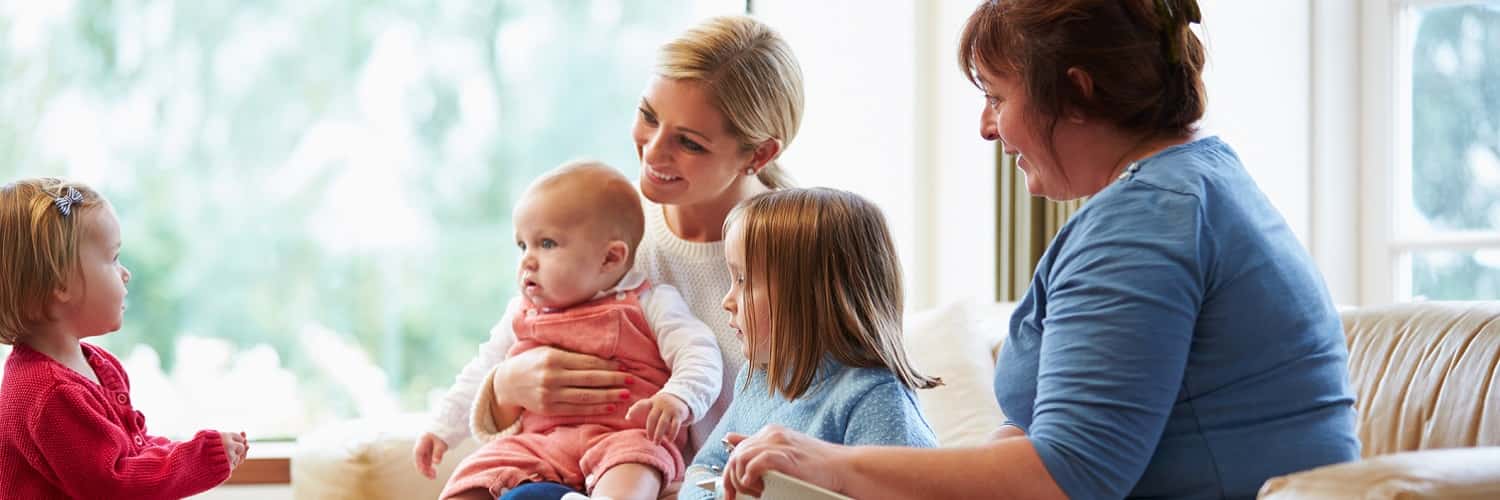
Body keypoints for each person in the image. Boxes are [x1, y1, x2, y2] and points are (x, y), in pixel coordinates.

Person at [713, 1, 1360, 499]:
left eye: (997, 96)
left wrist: (826, 464)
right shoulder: (1185, 189)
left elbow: (1065, 478)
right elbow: (1038, 446)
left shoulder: (1148, 221)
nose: (987, 126)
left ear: (1075, 92)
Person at [469, 15, 805, 500]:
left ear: (759, 154)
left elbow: (823, 431)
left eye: (689, 142)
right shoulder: (606, 225)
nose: (652, 151)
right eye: (648, 115)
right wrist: (505, 390)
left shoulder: (801, 255)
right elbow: (520, 365)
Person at [420, 162, 723, 500]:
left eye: (546, 244)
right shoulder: (521, 312)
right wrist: (442, 429)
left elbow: (700, 354)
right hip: (538, 442)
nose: (527, 261)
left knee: (638, 467)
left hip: (623, 436)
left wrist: (679, 396)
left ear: (610, 258)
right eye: (523, 245)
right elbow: (482, 370)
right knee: (475, 477)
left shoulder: (652, 302)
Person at [680, 188, 939, 500]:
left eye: (744, 281)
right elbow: (702, 470)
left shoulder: (875, 398)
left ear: (811, 296)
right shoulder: (758, 381)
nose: (727, 300)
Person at [0, 178, 249, 499]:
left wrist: (185, 450)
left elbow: (131, 450)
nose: (125, 273)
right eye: (113, 258)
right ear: (60, 282)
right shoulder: (50, 394)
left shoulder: (96, 364)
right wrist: (199, 459)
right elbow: (114, 484)